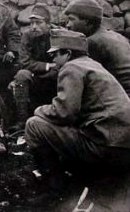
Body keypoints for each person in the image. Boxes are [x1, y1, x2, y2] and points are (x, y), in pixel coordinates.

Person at [25, 29, 130, 204]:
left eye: (55, 54)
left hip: (106, 147)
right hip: (123, 143)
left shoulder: (71, 68)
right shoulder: (92, 64)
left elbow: (64, 113)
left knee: (33, 125)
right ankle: (77, 176)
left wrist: (38, 110)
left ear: (67, 53)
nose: (52, 59)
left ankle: (56, 187)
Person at [64, 0, 130, 96]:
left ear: (87, 21)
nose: (68, 25)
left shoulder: (92, 42)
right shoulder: (117, 36)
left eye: (72, 20)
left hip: (121, 98)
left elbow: (82, 79)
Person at [9, 4, 57, 130]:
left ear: (48, 24)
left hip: (56, 76)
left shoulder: (58, 35)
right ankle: (22, 121)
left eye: (38, 23)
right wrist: (47, 65)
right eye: (31, 23)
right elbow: (25, 62)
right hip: (36, 76)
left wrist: (53, 68)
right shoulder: (27, 36)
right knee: (22, 75)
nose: (34, 27)